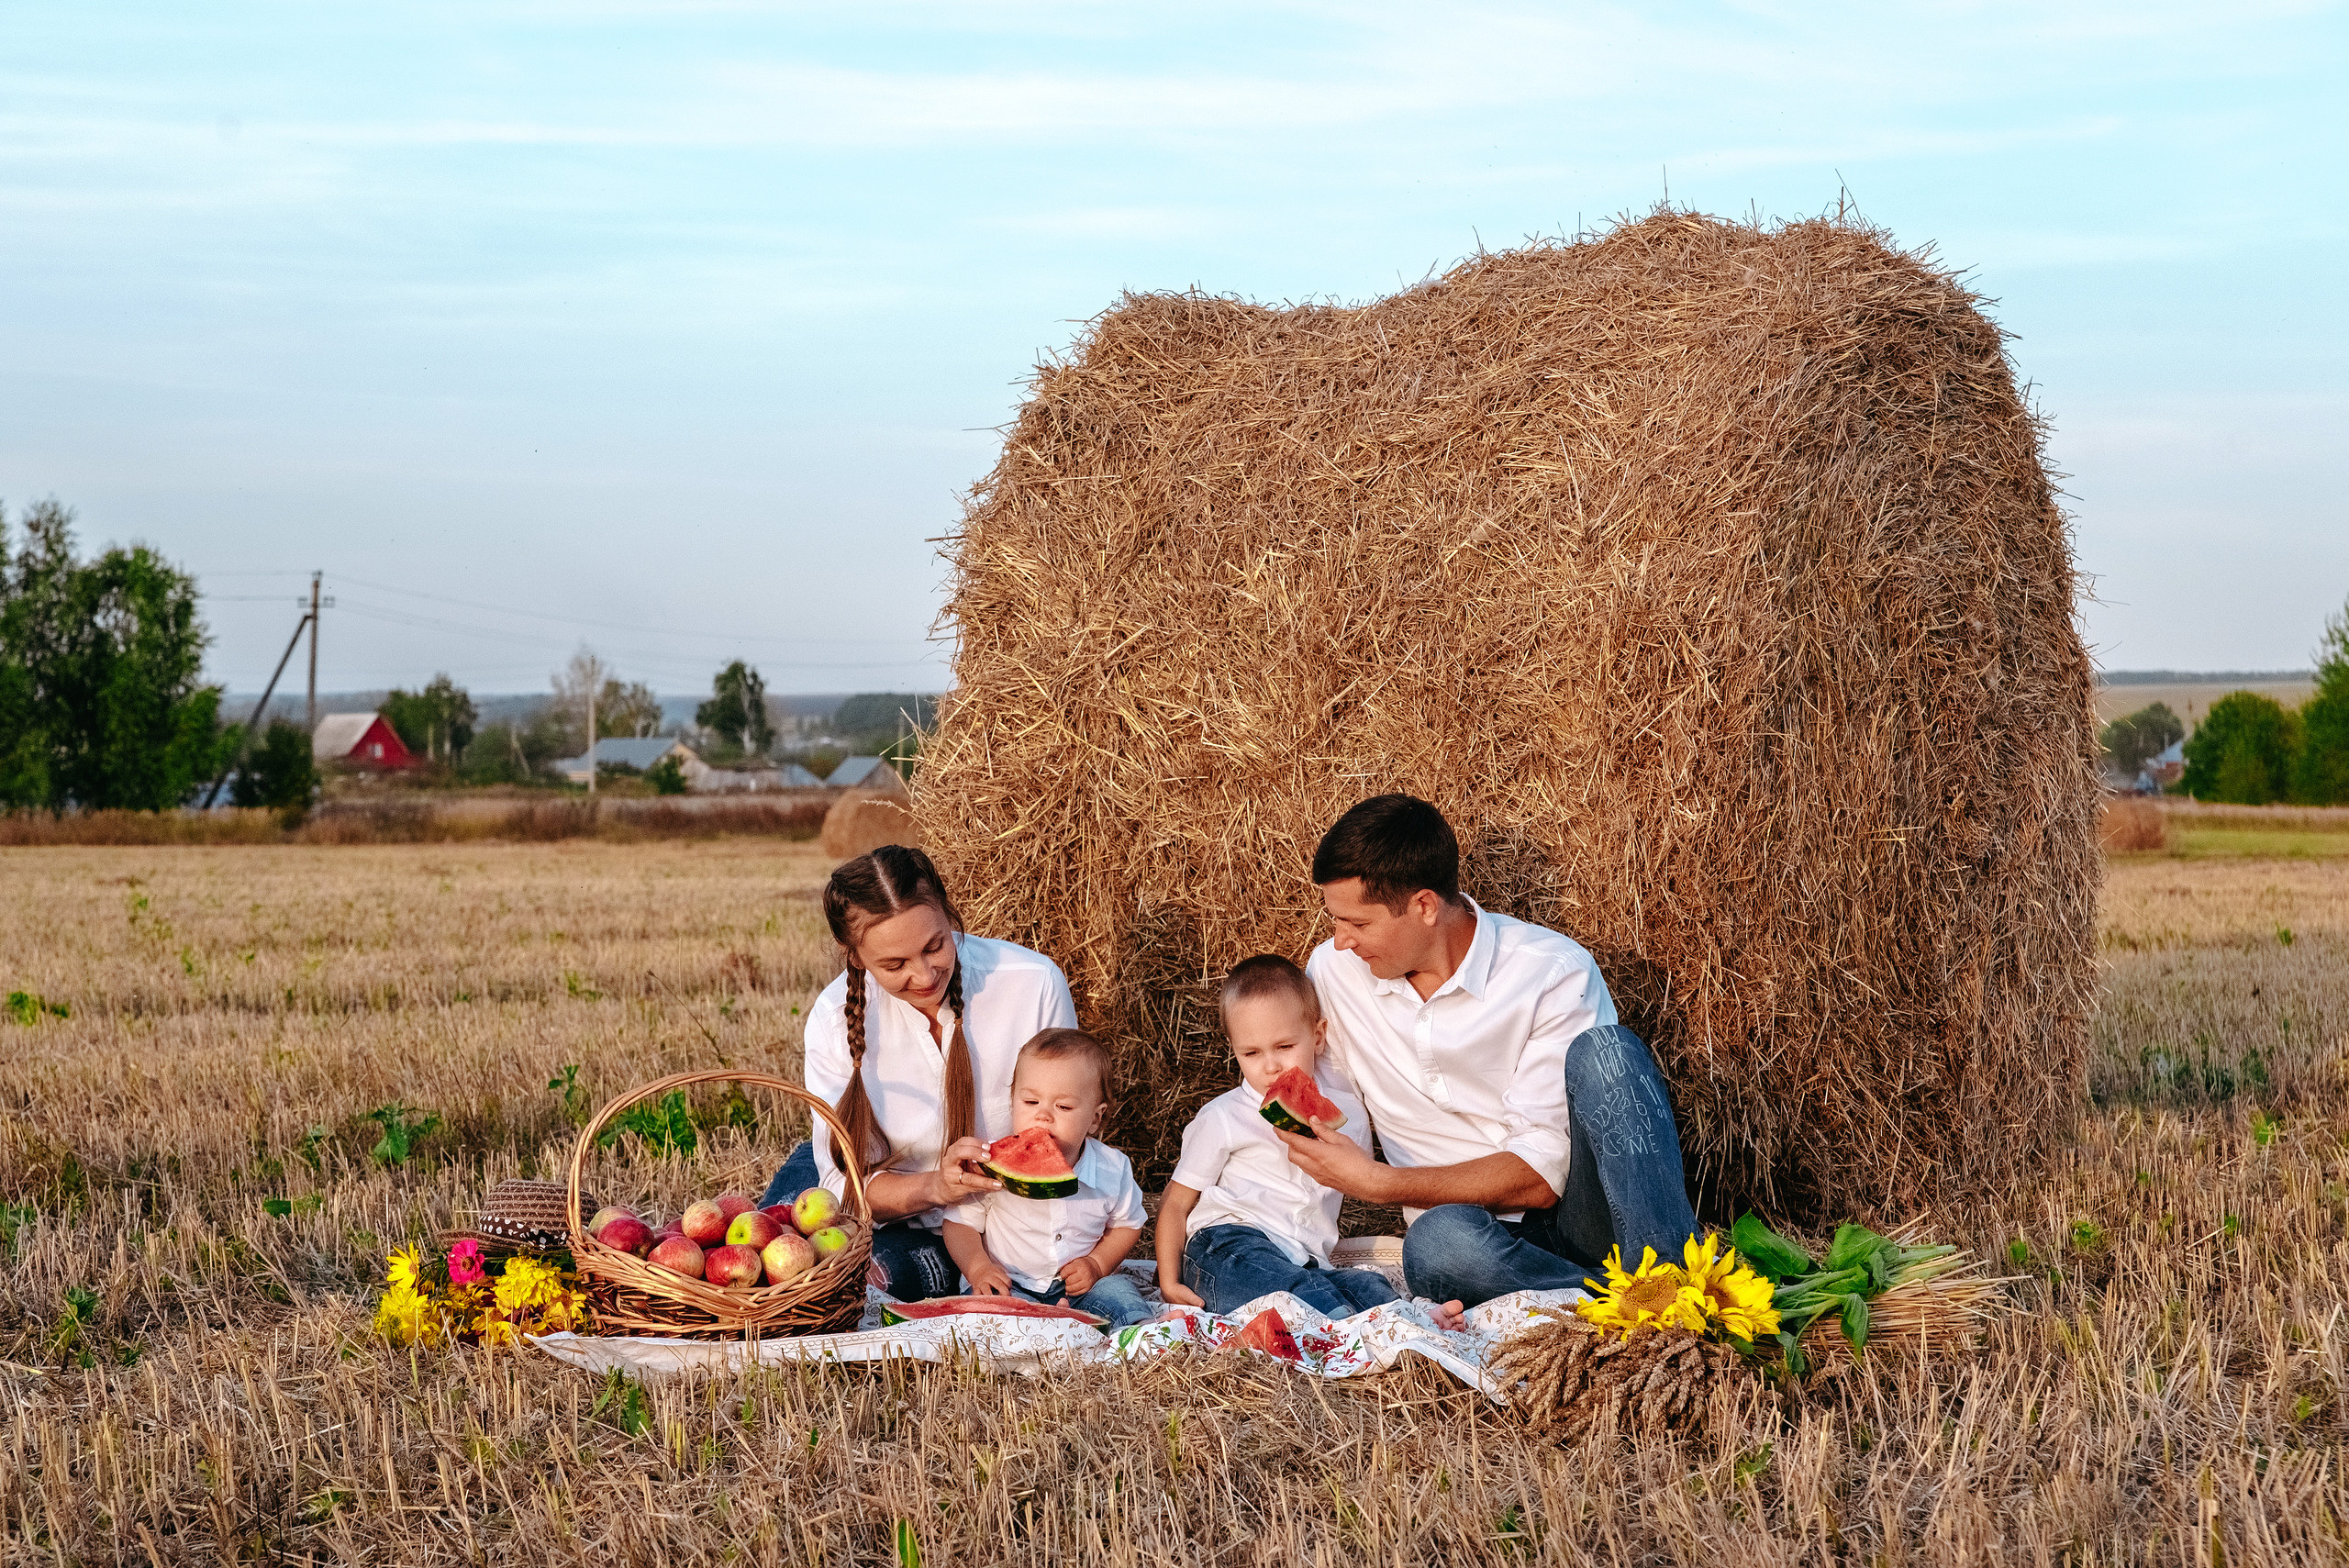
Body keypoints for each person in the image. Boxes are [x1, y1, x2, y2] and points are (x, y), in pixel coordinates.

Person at [1275, 795, 1698, 1328]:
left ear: (1424, 906)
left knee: (1609, 1053)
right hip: (1471, 1241)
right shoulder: (1334, 974)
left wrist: (1379, 1183)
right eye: (1334, 921)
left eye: (1356, 923)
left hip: (1584, 1217)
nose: (1340, 941)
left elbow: (1542, 1177)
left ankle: (1672, 1281)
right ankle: (1618, 1305)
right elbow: (1328, 1104)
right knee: (1435, 1245)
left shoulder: (1552, 972)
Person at [762, 844, 1078, 1301]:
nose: (926, 975)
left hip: (997, 1220)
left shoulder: (1034, 982)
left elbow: (1064, 1128)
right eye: (894, 965)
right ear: (854, 957)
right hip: (888, 1208)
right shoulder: (833, 1018)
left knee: (876, 1282)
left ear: (949, 913)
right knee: (803, 1277)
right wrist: (935, 1186)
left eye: (936, 945)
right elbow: (843, 1186)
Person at [1155, 955, 1399, 1318]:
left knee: (1369, 1286)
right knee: (1296, 1292)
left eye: (1285, 1047)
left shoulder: (1349, 1117)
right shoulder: (1223, 1116)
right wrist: (1169, 1282)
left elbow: (1363, 1181)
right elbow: (1176, 1204)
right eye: (1251, 1053)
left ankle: (1414, 1319)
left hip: (1305, 1259)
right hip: (1226, 1246)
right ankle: (1344, 1328)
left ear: (1317, 1037)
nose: (1270, 1066)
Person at [941, 1029, 1153, 1328]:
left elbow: (1128, 1225)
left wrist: (1097, 1264)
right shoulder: (988, 1165)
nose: (1043, 1116)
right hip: (1009, 1283)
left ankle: (1144, 1339)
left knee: (1120, 1292)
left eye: (1063, 1106)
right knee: (993, 1312)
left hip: (1080, 1289)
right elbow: (958, 1224)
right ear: (1012, 1101)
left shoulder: (1113, 1169)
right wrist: (979, 1269)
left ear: (1095, 1117)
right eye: (1030, 1102)